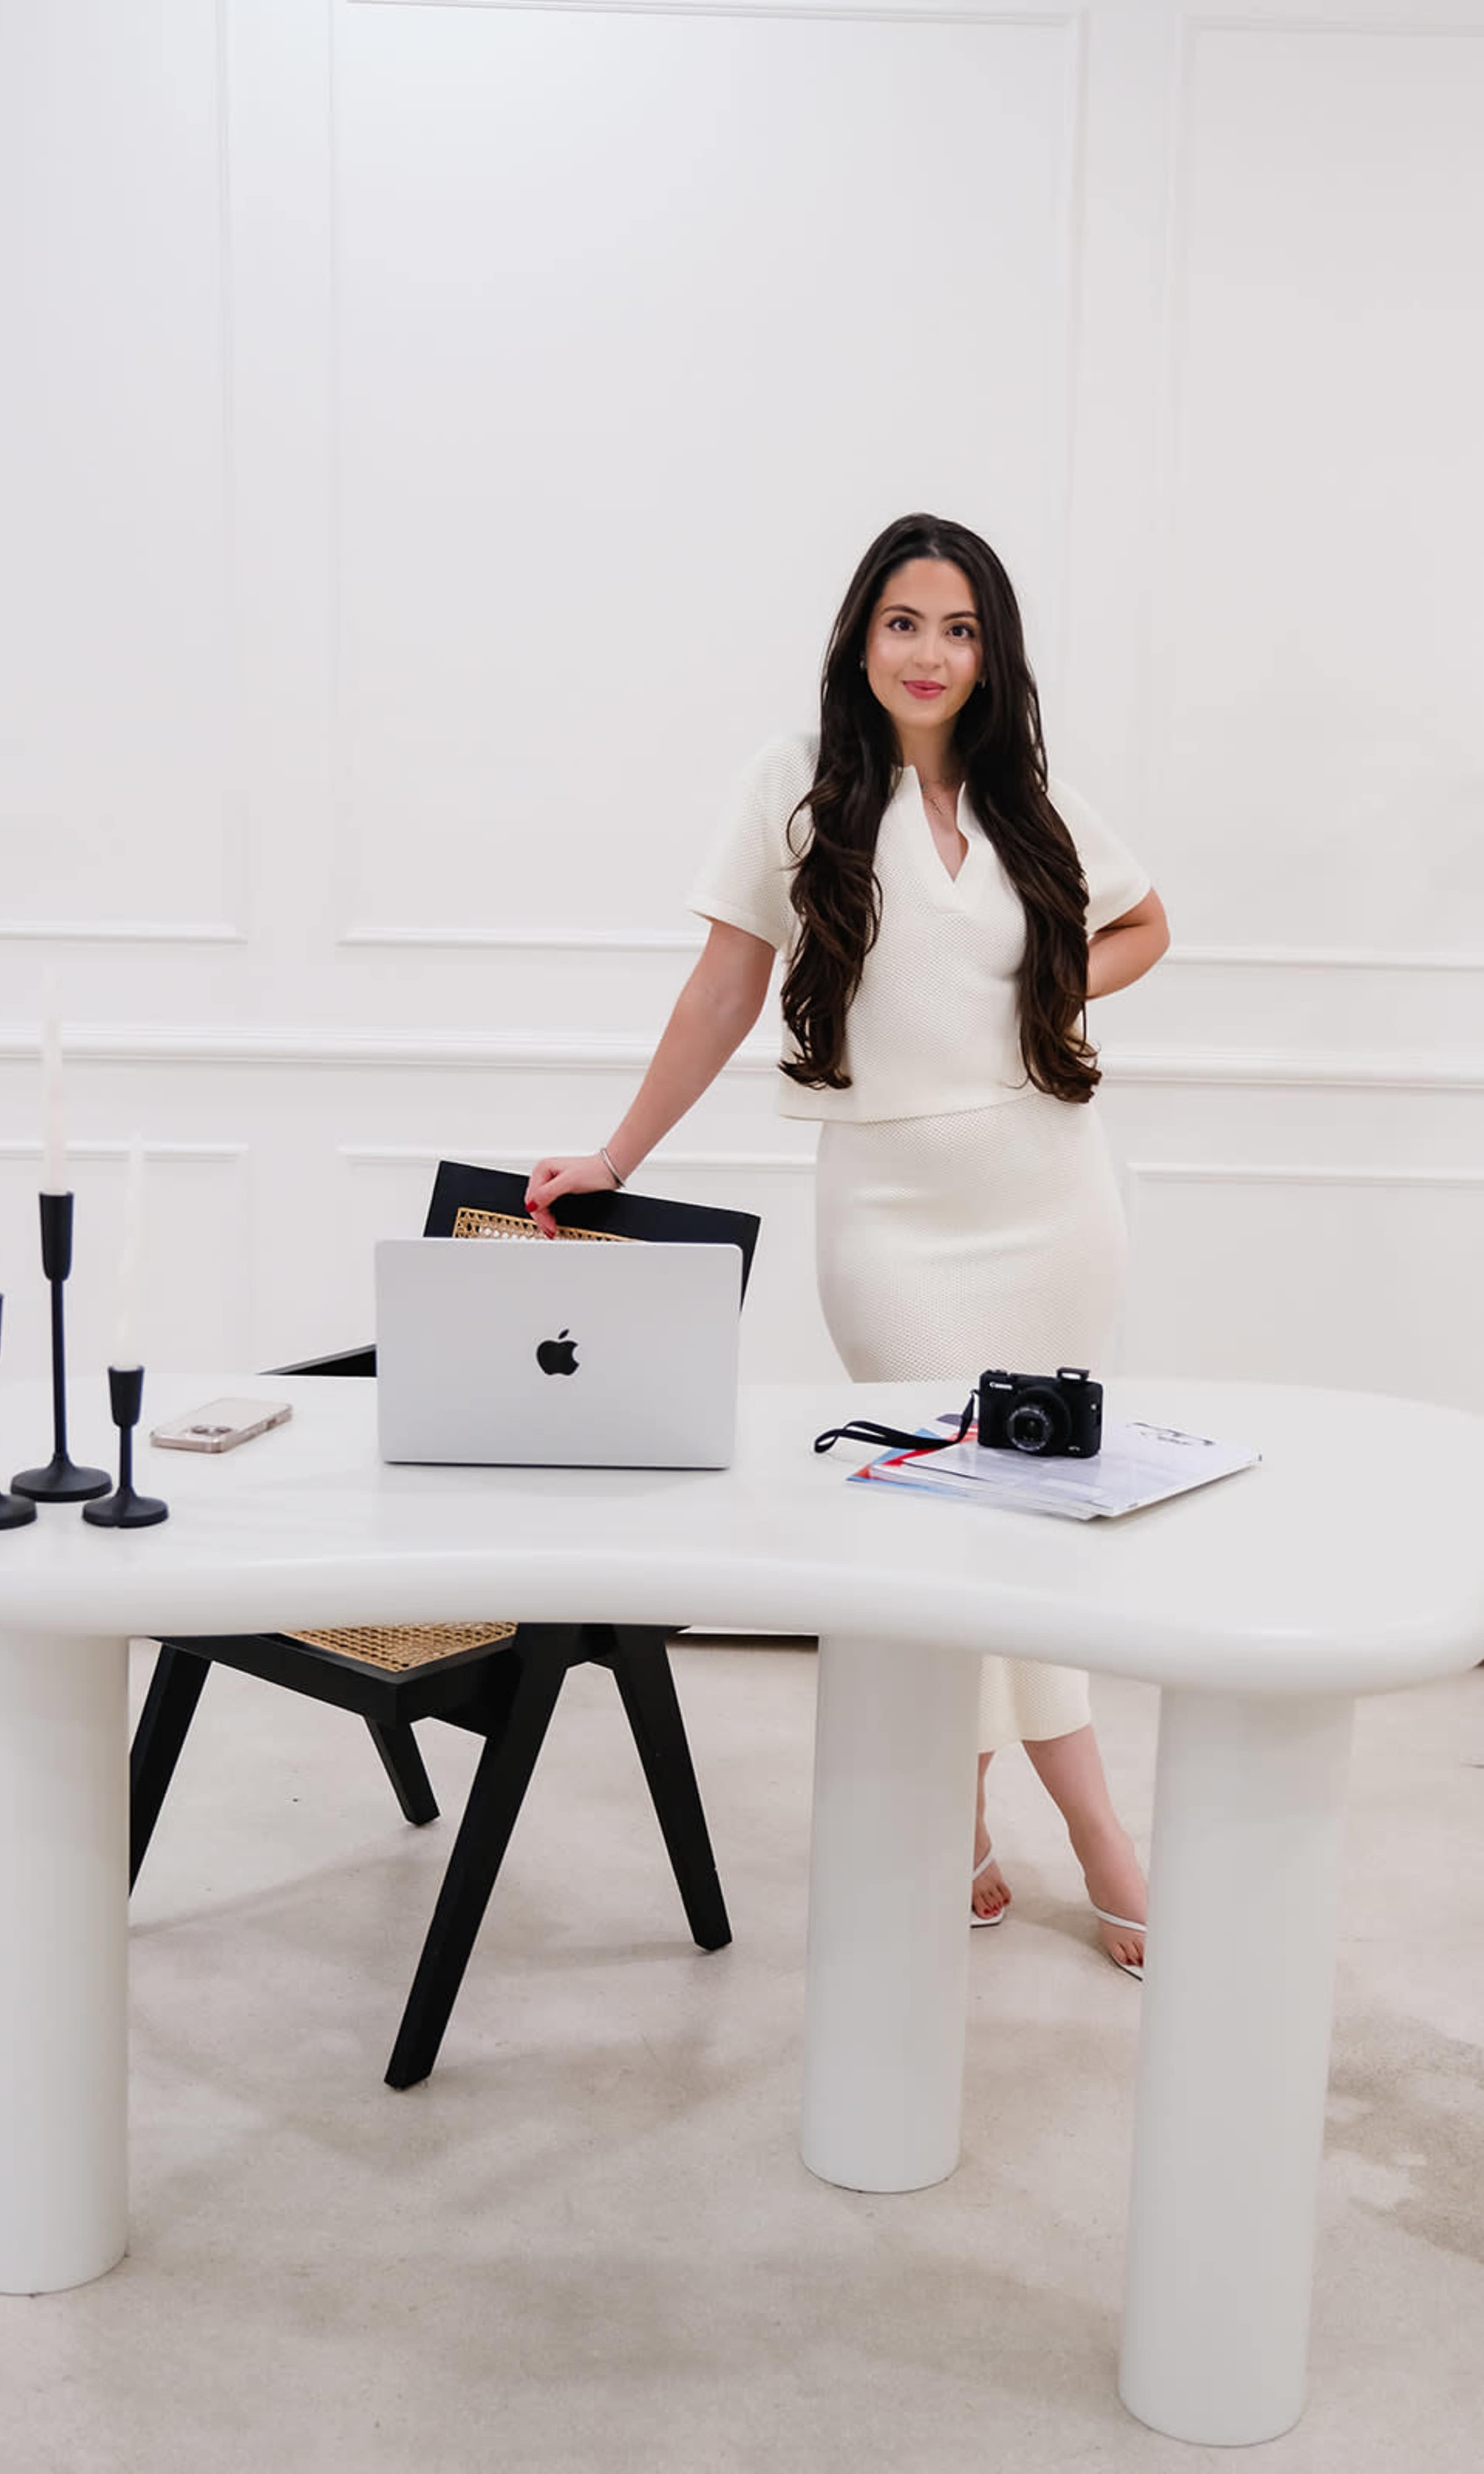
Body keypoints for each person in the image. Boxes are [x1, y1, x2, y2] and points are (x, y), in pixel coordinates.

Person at [527, 513, 1170, 1975]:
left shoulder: (1027, 797)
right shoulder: (795, 789)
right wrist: (619, 1155)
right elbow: (722, 987)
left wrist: (1051, 996)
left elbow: (1147, 929)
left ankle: (994, 1823)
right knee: (960, 1524)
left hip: (1052, 1196)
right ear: (858, 637)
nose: (931, 654)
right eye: (904, 623)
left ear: (990, 651)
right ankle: (1087, 1831)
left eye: (959, 629)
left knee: (1035, 1519)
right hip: (891, 1218)